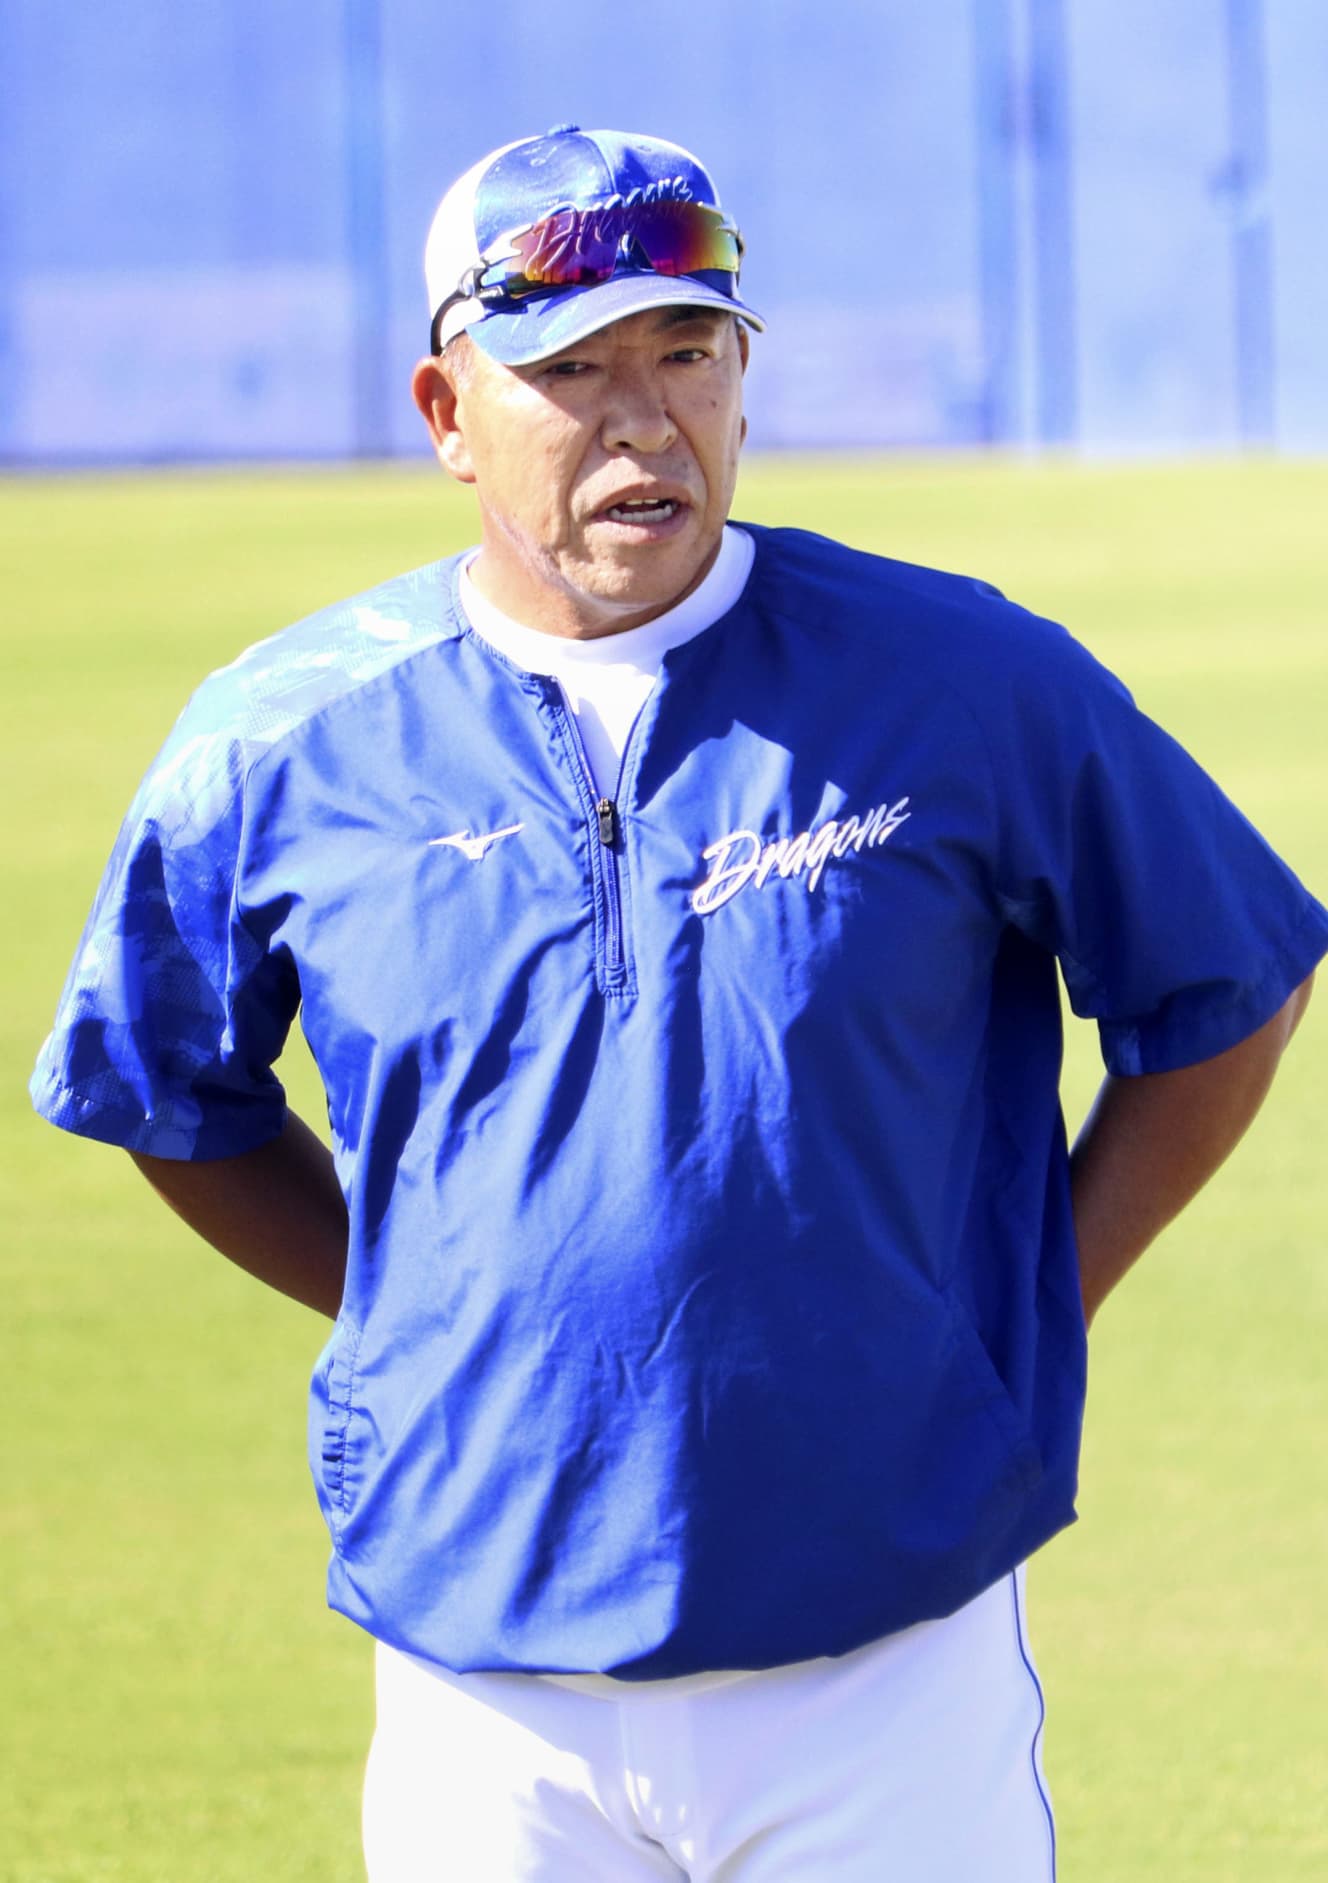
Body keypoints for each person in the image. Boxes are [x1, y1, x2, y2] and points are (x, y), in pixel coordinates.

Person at [31, 125, 1327, 1882]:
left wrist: (1018, 1303)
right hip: (485, 1687)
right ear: (447, 411)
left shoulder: (961, 677)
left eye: (687, 353)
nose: (644, 422)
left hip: (889, 1664)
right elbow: (168, 1090)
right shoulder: (283, 739)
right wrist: (416, 1306)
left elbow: (1228, 983)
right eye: (571, 370)